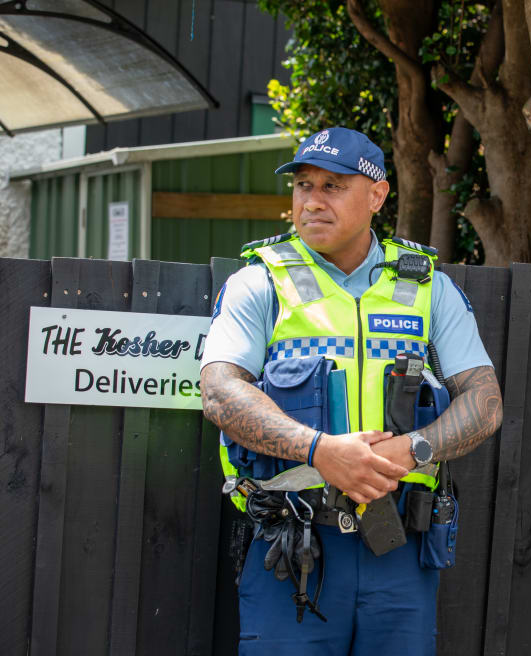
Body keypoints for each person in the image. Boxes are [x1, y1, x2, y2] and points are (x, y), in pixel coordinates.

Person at [200, 127, 503, 655]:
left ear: (377, 195)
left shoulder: (428, 286)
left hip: (399, 545)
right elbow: (220, 392)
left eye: (333, 186)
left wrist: (413, 449)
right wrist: (320, 451)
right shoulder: (260, 282)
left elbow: (485, 400)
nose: (311, 201)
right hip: (291, 544)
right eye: (302, 185)